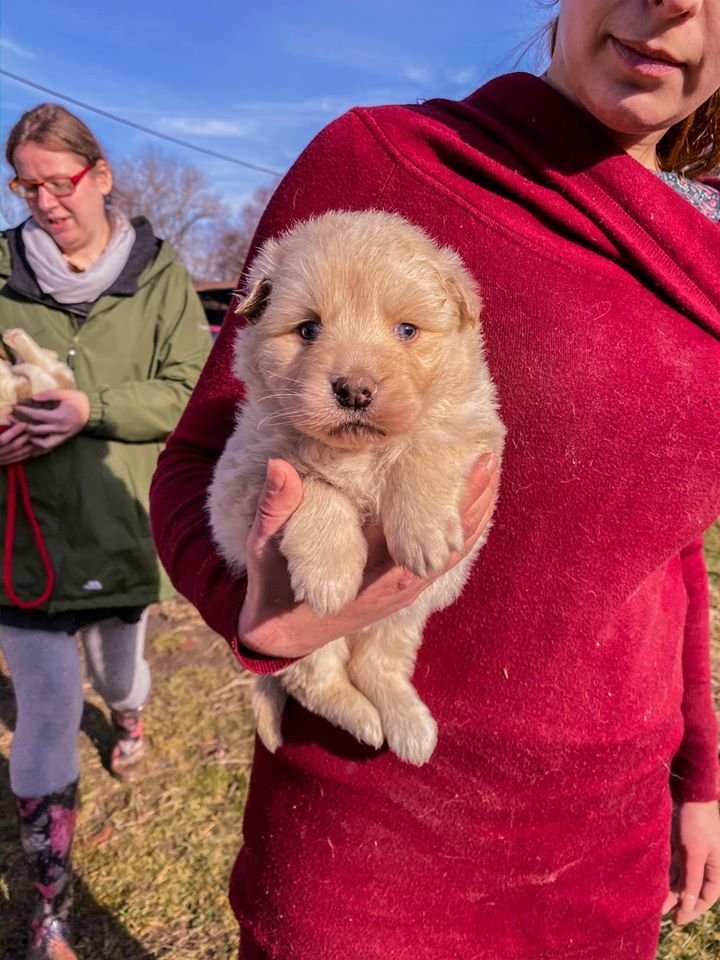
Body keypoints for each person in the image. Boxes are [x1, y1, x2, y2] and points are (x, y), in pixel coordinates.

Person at [149, 1, 720, 957]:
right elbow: (200, 456)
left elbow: (667, 550)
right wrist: (251, 607)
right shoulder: (382, 161)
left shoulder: (707, 252)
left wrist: (699, 775)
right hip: (371, 847)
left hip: (602, 857)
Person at [0, 103, 211, 960]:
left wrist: (93, 409)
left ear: (103, 176)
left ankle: (130, 721)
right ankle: (49, 904)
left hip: (125, 521)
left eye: (64, 181)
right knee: (48, 710)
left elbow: (189, 387)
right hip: (23, 533)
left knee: (119, 677)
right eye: (28, 184)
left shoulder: (160, 274)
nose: (48, 200)